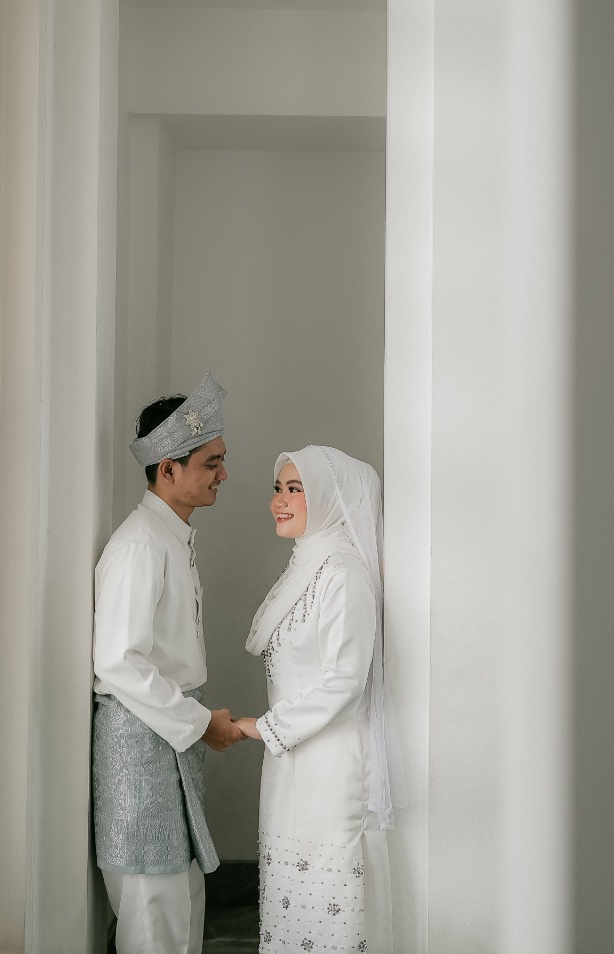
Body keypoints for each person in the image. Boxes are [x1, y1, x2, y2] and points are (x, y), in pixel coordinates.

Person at [92, 374, 246, 954]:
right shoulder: (140, 546)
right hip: (142, 742)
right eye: (212, 463)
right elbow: (117, 661)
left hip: (168, 734)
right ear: (168, 470)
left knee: (180, 898)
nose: (223, 474)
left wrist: (196, 723)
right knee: (153, 908)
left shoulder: (168, 536)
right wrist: (201, 723)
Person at [235, 445, 397, 953]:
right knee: (293, 903)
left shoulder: (343, 573)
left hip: (331, 769)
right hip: (292, 762)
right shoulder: (308, 565)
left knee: (329, 902)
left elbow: (345, 680)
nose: (279, 501)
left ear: (330, 497)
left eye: (295, 489)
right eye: (278, 488)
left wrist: (265, 726)